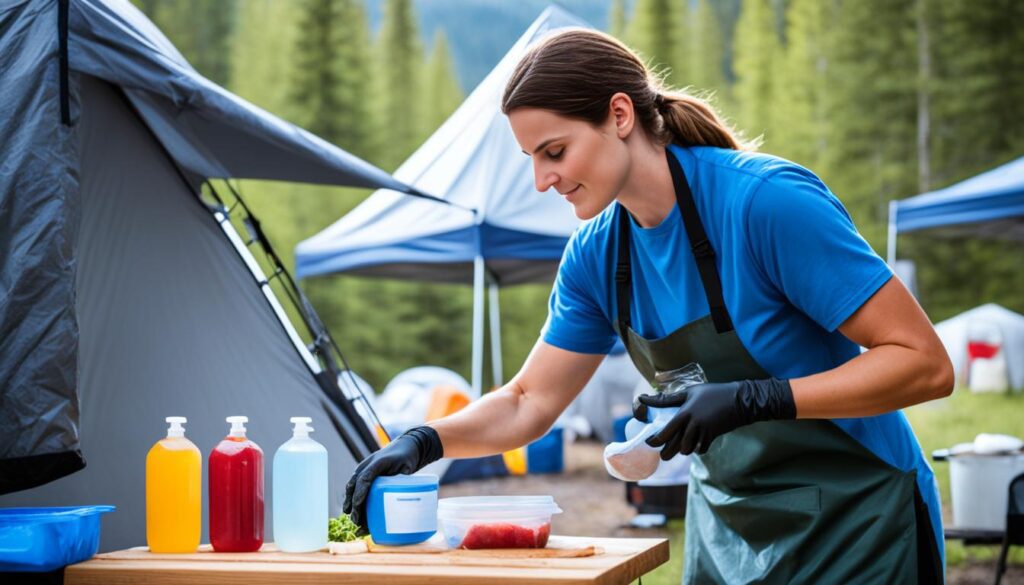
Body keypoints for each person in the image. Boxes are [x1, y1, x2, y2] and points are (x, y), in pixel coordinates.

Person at [344, 29, 952, 584]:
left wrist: (757, 398)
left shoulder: (764, 204)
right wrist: (425, 442)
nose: (541, 180)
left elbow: (923, 364)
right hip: (732, 533)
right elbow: (529, 402)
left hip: (861, 523)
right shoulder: (595, 255)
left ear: (619, 114)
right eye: (530, 158)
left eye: (554, 151)